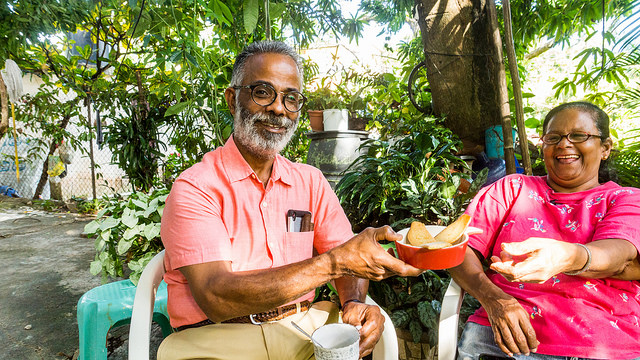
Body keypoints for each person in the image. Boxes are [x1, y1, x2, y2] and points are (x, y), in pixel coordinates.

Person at [158, 40, 423, 360]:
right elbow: (216, 296)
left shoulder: (310, 182)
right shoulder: (196, 188)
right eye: (262, 92)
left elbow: (347, 261)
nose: (278, 108)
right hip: (216, 338)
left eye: (291, 98)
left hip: (302, 329)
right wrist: (334, 262)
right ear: (232, 100)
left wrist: (353, 301)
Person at [450, 101, 640, 360]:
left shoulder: (625, 198)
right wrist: (494, 300)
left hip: (604, 344)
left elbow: (621, 252)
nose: (564, 144)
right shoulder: (512, 189)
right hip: (503, 339)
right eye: (553, 137)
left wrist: (568, 257)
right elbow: (457, 249)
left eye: (578, 136)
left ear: (605, 148)